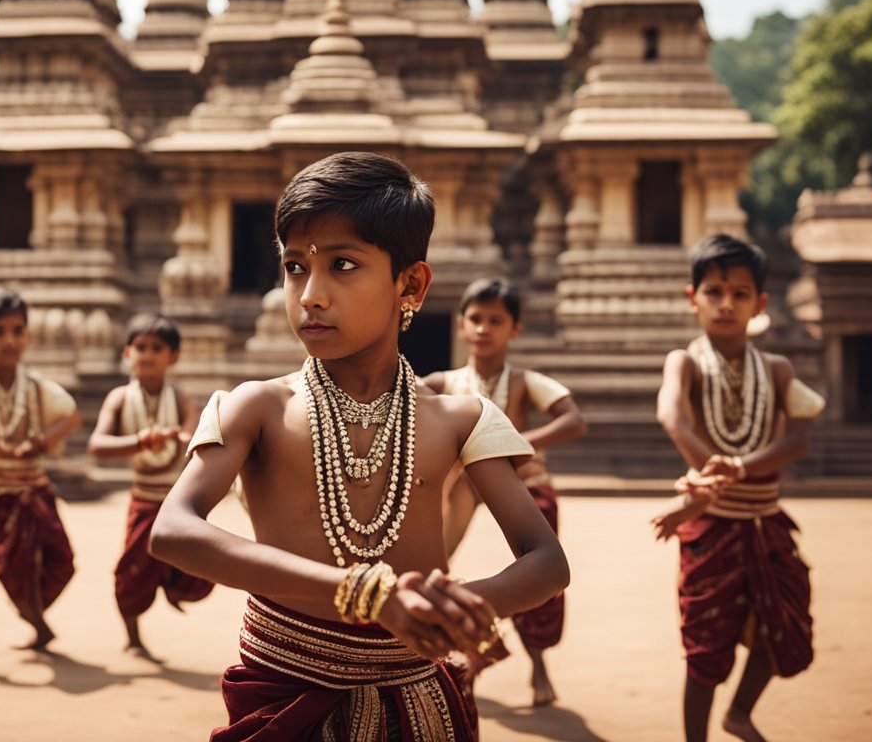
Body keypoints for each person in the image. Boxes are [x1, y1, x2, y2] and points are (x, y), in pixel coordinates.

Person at [149, 151, 570, 740]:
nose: (310, 295)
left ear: (411, 283)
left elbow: (547, 561)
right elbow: (173, 530)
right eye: (296, 267)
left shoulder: (461, 418)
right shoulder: (257, 406)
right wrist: (366, 593)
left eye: (342, 264)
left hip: (419, 695)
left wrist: (464, 606)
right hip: (287, 683)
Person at [654, 233, 825, 742]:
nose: (726, 303)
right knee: (706, 643)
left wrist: (740, 467)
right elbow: (671, 418)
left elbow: (797, 439)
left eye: (740, 293)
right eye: (714, 291)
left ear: (760, 303)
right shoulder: (683, 362)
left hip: (764, 519)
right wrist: (713, 471)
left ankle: (740, 713)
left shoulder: (776, 369)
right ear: (693, 298)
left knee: (786, 620)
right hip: (711, 523)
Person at [422, 276, 587, 706]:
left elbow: (573, 420)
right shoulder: (445, 381)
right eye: (475, 319)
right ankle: (455, 656)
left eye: (496, 320)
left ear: (514, 329)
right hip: (461, 485)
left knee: (538, 574)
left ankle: (535, 665)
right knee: (430, 563)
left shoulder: (525, 380)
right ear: (460, 325)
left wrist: (518, 442)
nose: (483, 328)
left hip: (525, 483)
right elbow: (405, 404)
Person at [0, 287, 82, 650]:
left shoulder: (38, 386)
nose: (10, 340)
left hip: (36, 487)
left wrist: (41, 442)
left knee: (63, 561)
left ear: (27, 334)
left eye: (17, 330)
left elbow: (71, 416)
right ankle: (38, 624)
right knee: (10, 569)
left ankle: (36, 617)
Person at [88, 313, 213, 657]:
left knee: (200, 564)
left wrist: (181, 436)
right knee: (131, 570)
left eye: (156, 348)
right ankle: (133, 638)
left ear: (172, 357)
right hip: (143, 499)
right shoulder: (118, 398)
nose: (147, 354)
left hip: (176, 501)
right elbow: (97, 445)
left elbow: (194, 437)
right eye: (140, 347)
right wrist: (142, 441)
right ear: (127, 353)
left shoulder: (182, 398)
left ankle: (172, 588)